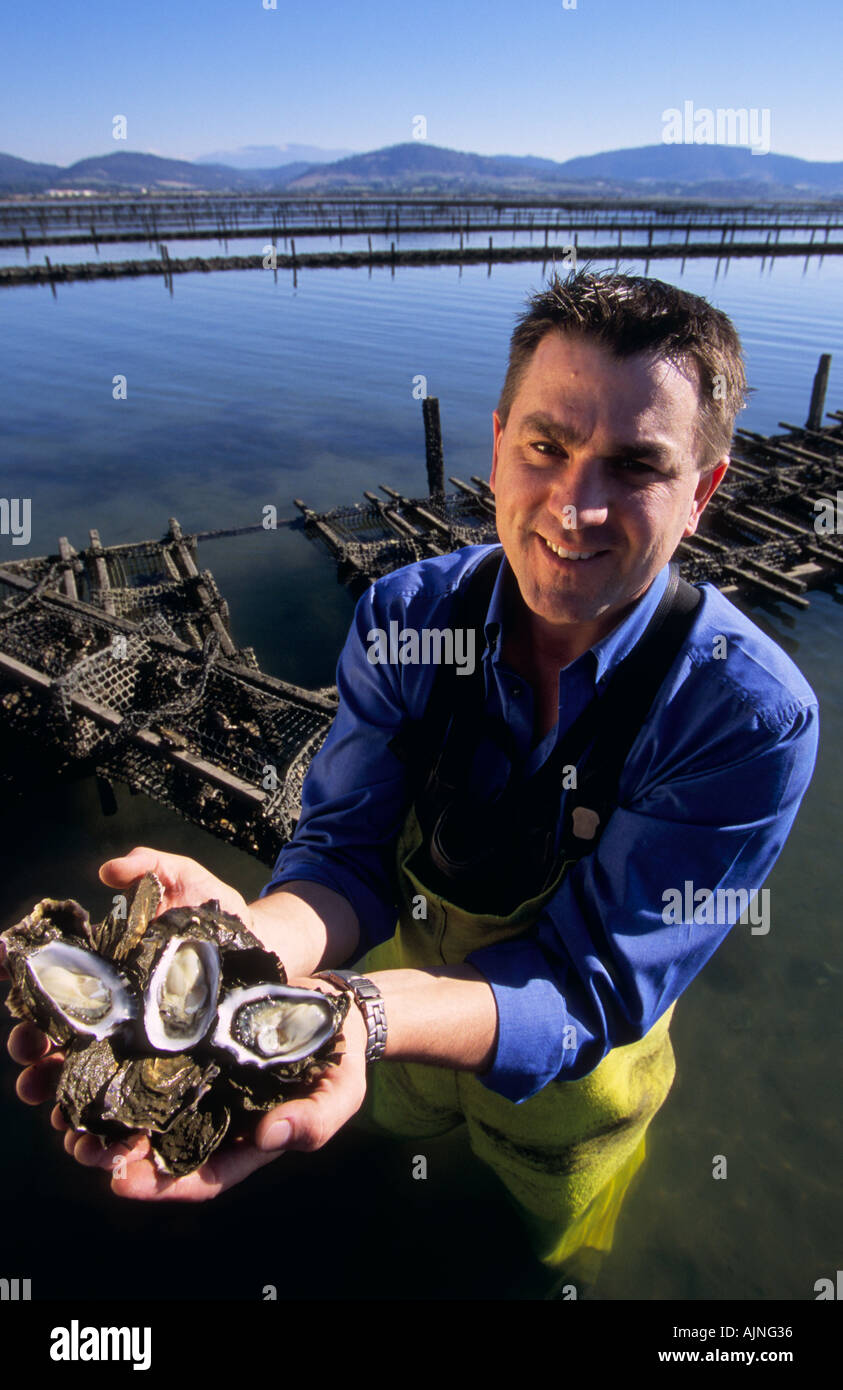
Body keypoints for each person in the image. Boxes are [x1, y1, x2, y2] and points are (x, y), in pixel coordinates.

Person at [2, 270, 818, 1278]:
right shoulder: (407, 620)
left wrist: (365, 1015)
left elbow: (589, 983)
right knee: (391, 1175)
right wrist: (244, 944)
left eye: (636, 466)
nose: (575, 506)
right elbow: (343, 856)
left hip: (565, 1081)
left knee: (551, 1244)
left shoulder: (748, 716)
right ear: (496, 441)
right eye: (546, 447)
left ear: (703, 491)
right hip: (382, 1006)